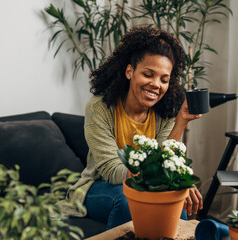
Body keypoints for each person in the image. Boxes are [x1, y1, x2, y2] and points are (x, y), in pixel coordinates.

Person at [68, 26, 203, 230]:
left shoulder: (164, 112)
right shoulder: (100, 108)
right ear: (130, 71)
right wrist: (171, 180)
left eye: (164, 79)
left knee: (175, 203)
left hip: (145, 186)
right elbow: (113, 171)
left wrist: (181, 122)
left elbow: (164, 159)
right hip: (98, 186)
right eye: (148, 74)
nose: (156, 84)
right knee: (128, 201)